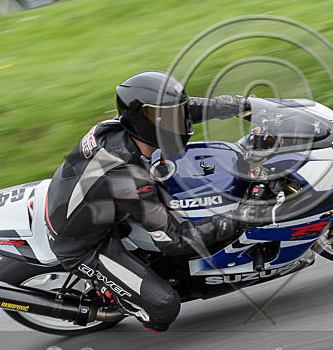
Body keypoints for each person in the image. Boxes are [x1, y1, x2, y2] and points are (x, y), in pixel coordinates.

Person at [45, 71, 249, 332]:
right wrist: (238, 219)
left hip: (84, 202)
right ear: (146, 122)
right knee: (164, 307)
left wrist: (231, 106)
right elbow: (175, 241)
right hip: (82, 245)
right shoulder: (130, 178)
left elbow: (182, 113)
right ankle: (116, 299)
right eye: (170, 118)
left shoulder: (118, 127)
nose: (181, 122)